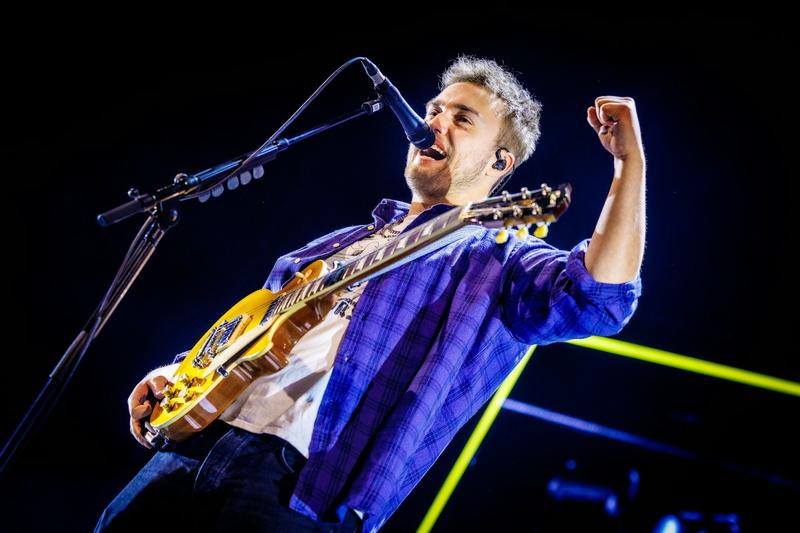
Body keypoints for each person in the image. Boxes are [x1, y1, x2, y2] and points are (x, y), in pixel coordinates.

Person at [95, 56, 645, 532]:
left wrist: (628, 166)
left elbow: (598, 298)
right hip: (192, 445)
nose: (434, 123)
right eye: (434, 110)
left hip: (298, 486)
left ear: (500, 163)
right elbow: (251, 330)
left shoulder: (498, 257)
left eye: (462, 119)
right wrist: (184, 375)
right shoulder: (340, 241)